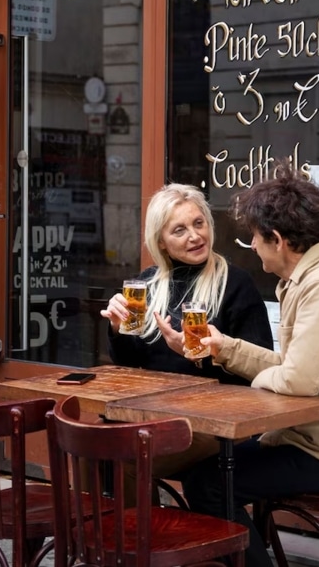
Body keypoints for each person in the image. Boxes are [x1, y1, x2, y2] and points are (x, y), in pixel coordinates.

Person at [179, 165, 319, 567]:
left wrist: (262, 380)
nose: (252, 246)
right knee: (207, 475)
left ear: (278, 240)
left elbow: (300, 378)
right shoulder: (308, 279)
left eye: (256, 238)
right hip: (310, 440)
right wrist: (224, 347)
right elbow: (292, 368)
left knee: (209, 483)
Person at [100, 182, 274, 490]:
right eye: (179, 230)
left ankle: (137, 537)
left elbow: (260, 370)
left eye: (199, 223)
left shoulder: (235, 284)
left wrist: (201, 354)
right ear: (162, 242)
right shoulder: (147, 285)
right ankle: (106, 537)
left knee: (123, 456)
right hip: (155, 416)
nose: (195, 236)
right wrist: (118, 327)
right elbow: (130, 363)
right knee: (90, 446)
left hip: (216, 424)